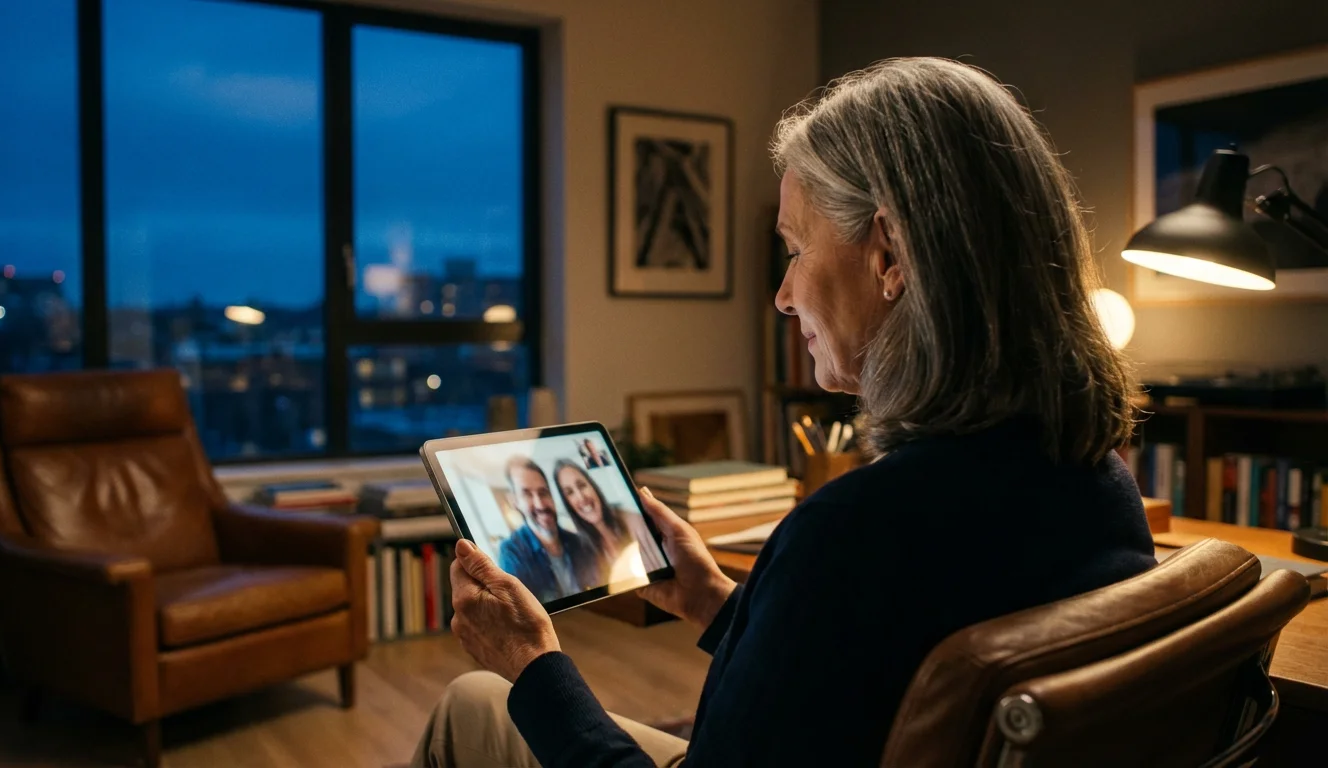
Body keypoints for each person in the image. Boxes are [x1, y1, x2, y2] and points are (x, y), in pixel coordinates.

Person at [413, 58, 1157, 767]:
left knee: (474, 704)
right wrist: (714, 601)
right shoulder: (1097, 483)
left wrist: (535, 664)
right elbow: (853, 672)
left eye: (796, 249)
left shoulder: (851, 535)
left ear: (889, 255)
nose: (782, 294)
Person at [495, 456, 601, 604]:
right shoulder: (511, 552)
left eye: (543, 492)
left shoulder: (579, 542)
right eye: (527, 494)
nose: (540, 504)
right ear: (515, 501)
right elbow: (519, 611)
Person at [553, 459, 667, 580]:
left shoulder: (635, 522)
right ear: (568, 503)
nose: (581, 497)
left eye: (582, 485)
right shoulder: (582, 551)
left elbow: (661, 576)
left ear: (593, 486)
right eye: (570, 492)